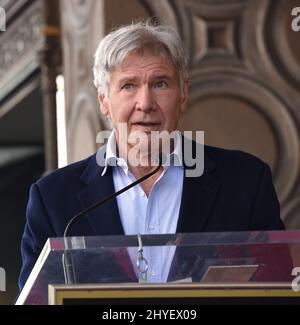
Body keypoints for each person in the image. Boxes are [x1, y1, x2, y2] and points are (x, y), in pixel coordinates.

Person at [19, 21, 285, 289]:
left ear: (183, 95)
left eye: (160, 84)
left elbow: (278, 289)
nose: (145, 103)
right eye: (128, 86)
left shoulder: (245, 181)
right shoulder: (53, 199)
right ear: (103, 101)